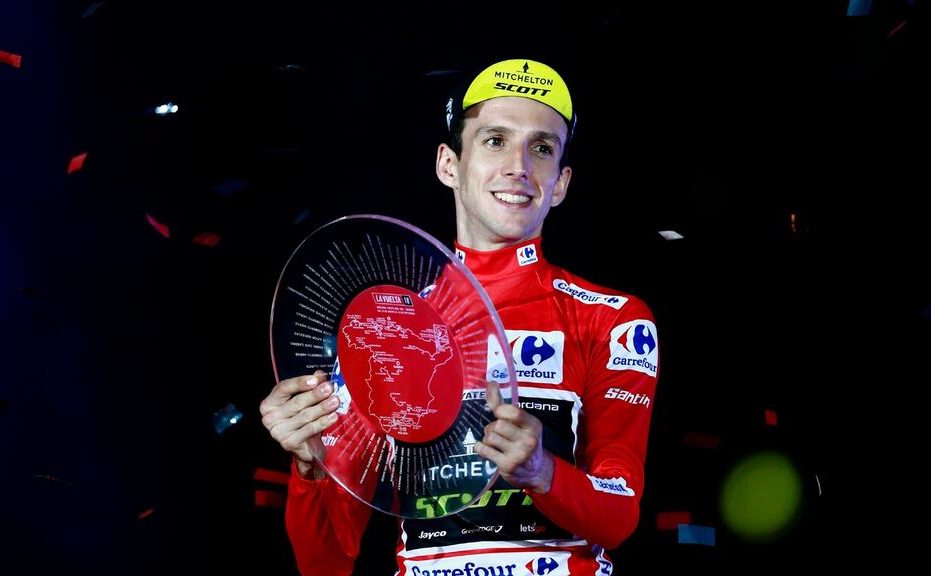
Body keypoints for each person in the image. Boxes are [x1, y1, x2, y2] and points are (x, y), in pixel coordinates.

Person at [260, 58, 659, 575]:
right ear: (449, 164)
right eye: (495, 140)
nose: (519, 165)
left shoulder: (614, 320)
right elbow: (325, 563)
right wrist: (309, 466)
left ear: (560, 184)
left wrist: (542, 472)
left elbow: (619, 515)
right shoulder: (384, 329)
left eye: (541, 148)